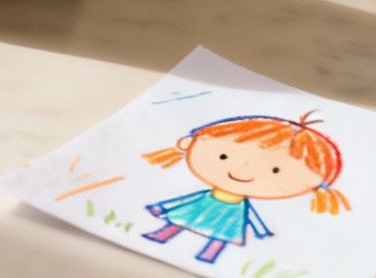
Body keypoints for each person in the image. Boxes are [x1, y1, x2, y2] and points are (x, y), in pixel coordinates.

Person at [139, 112, 351, 264]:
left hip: (233, 212)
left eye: (275, 170)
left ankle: (209, 254)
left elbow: (252, 216)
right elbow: (186, 200)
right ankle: (162, 234)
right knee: (182, 218)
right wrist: (162, 207)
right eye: (224, 156)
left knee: (220, 234)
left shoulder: (242, 204)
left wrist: (261, 230)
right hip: (208, 204)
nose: (244, 172)